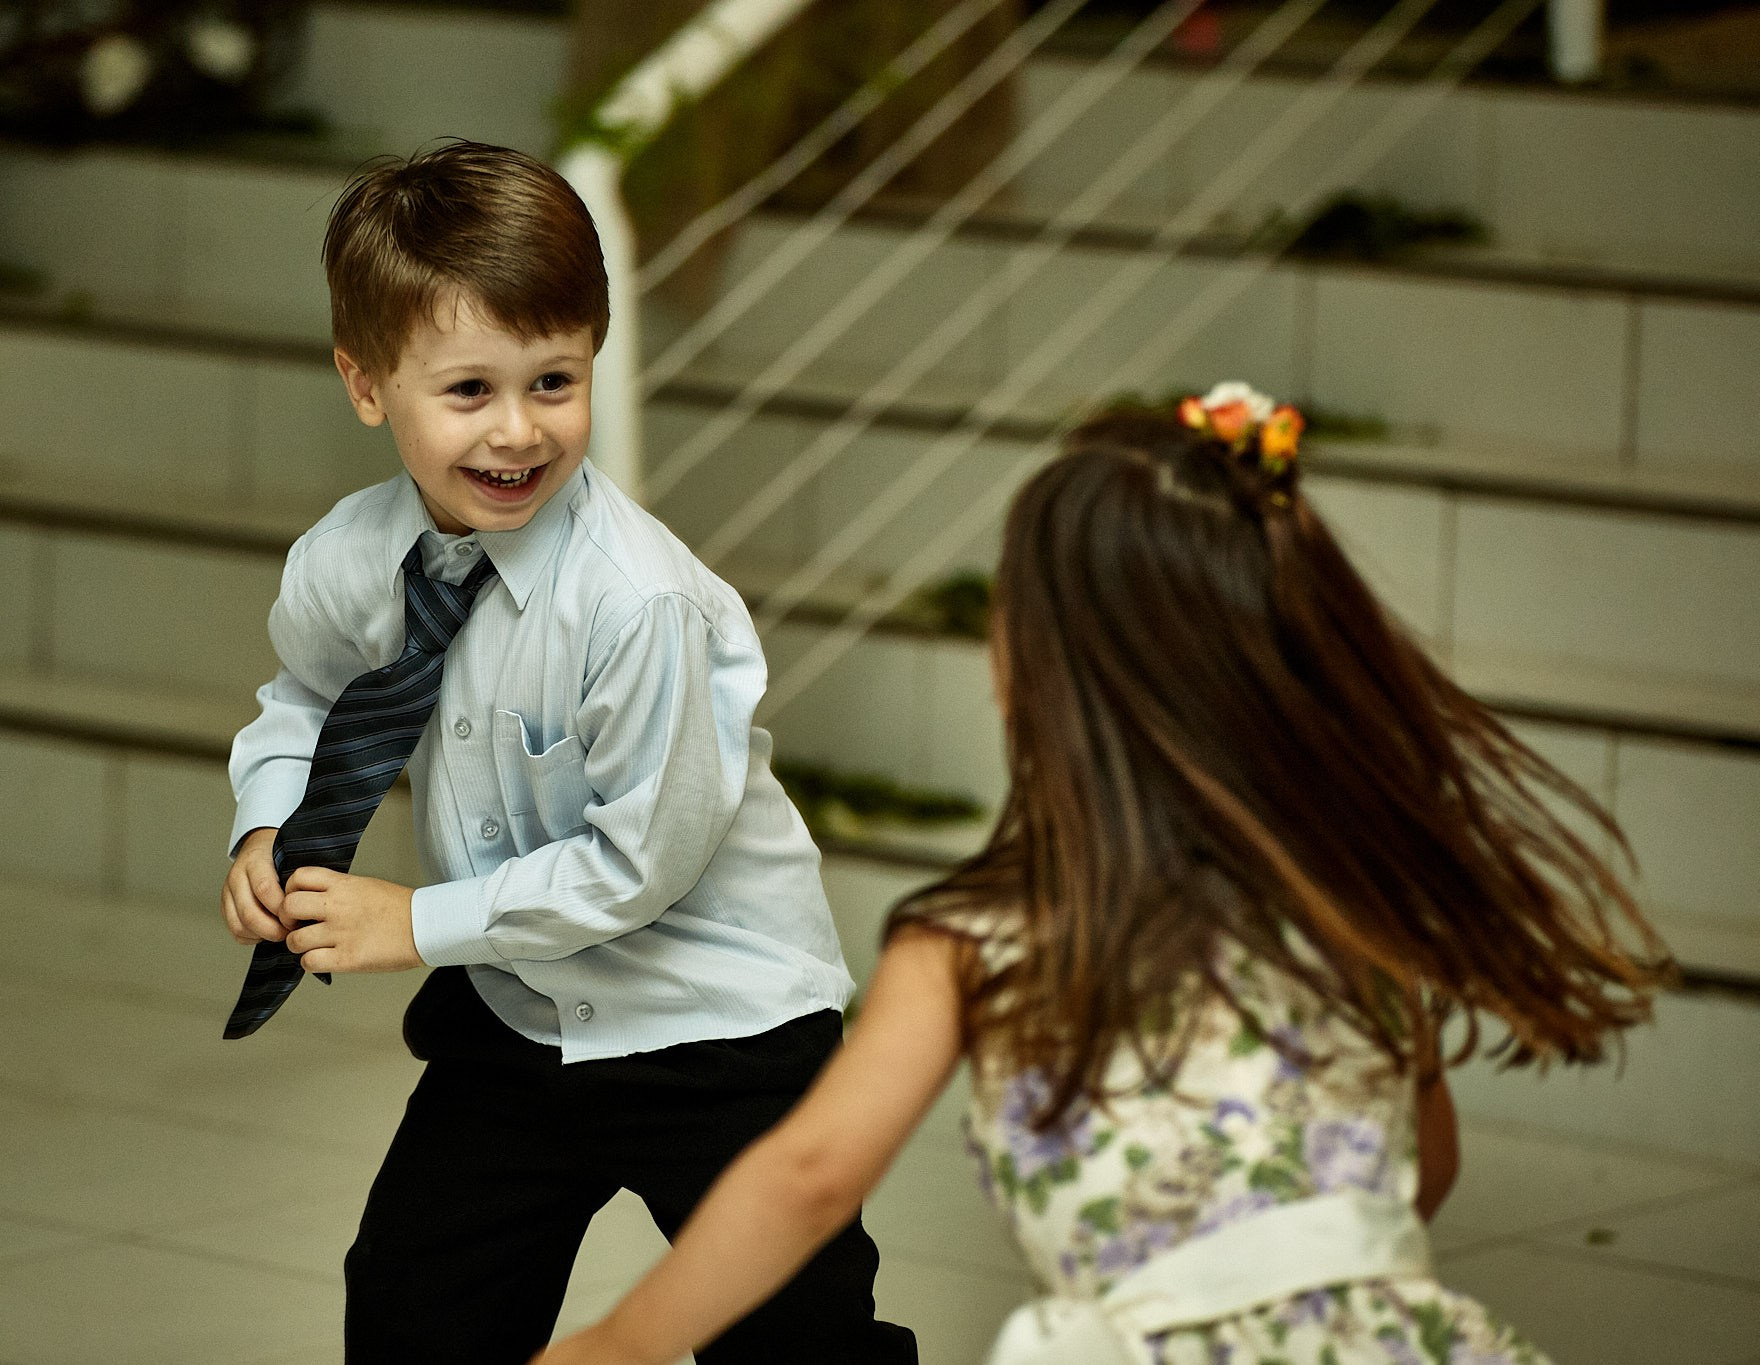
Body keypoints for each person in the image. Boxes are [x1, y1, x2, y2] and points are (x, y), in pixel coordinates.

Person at [535, 388, 1666, 1365]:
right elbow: (1425, 1170)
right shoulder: (1346, 896)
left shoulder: (979, 935)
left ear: (1036, 674)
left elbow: (811, 1174)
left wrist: (619, 1343)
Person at [217, 141, 915, 1363]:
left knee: (794, 1341)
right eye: (468, 390)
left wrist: (411, 923)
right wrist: (271, 819)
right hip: (519, 1012)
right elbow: (307, 696)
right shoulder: (346, 560)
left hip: (718, 1026)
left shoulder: (636, 605)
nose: (517, 431)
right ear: (366, 382)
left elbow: (637, 864)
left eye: (553, 380)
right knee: (414, 1302)